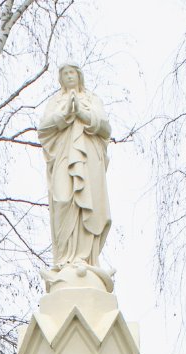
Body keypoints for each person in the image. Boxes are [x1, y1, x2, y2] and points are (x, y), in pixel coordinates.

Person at [37, 63, 112, 268]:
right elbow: (43, 128)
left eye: (72, 73)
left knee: (87, 203)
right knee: (63, 199)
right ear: (60, 79)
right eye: (65, 74)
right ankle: (64, 258)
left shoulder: (91, 99)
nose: (69, 76)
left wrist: (82, 113)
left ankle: (85, 258)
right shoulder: (56, 101)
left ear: (79, 76)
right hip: (64, 154)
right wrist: (64, 115)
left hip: (88, 159)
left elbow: (105, 127)